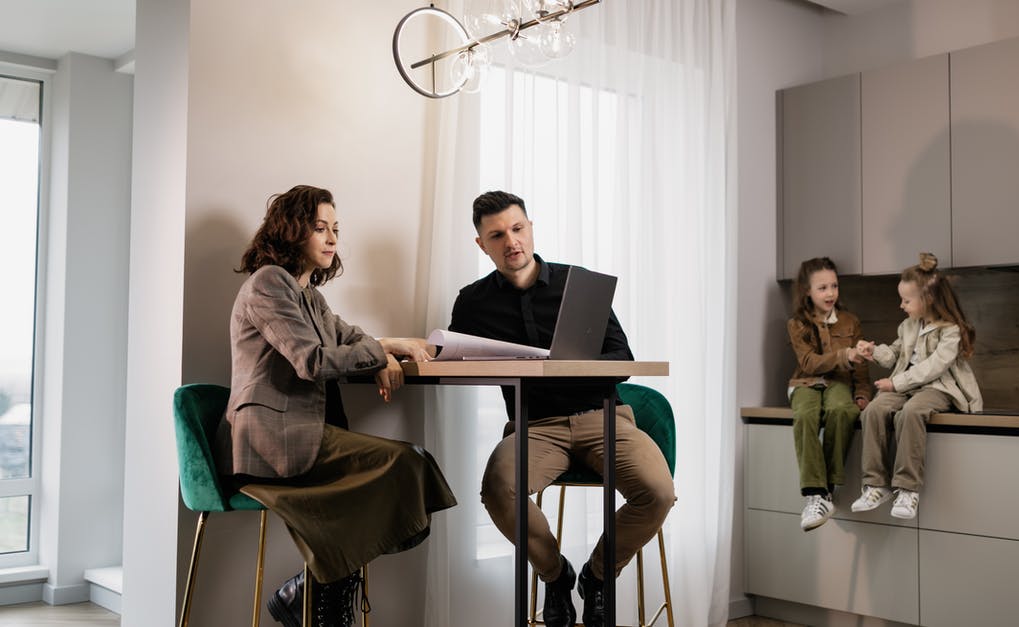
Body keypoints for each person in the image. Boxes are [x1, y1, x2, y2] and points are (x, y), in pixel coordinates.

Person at [215, 185, 457, 627]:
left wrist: (385, 347)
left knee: (409, 469)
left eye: (335, 230)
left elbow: (355, 338)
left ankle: (309, 592)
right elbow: (311, 361)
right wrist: (381, 354)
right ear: (291, 231)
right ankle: (316, 597)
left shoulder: (312, 297)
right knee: (407, 463)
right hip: (268, 442)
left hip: (301, 435)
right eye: (319, 228)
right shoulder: (269, 283)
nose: (331, 239)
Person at [447, 190, 675, 627]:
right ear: (482, 244)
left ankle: (597, 575)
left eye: (517, 229)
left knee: (658, 492)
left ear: (530, 228)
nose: (511, 241)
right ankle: (555, 574)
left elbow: (622, 359)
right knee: (498, 489)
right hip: (534, 428)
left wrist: (565, 367)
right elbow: (455, 358)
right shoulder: (473, 302)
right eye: (497, 235)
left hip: (603, 418)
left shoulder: (580, 284)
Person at [850, 252, 982, 520]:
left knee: (911, 413)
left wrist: (896, 383)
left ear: (928, 299)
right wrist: (873, 351)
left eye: (906, 300)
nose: (901, 305)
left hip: (938, 388)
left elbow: (934, 367)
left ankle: (908, 488)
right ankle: (875, 484)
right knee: (873, 410)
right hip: (905, 387)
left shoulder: (951, 330)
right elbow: (895, 356)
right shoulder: (907, 326)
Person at [786, 257, 872, 532]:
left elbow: (861, 365)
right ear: (807, 291)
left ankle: (827, 491)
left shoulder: (850, 321)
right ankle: (815, 494)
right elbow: (809, 363)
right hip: (805, 383)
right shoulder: (797, 324)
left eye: (834, 286)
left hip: (839, 383)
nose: (830, 293)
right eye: (822, 288)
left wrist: (861, 392)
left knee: (841, 410)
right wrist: (844, 355)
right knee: (805, 415)